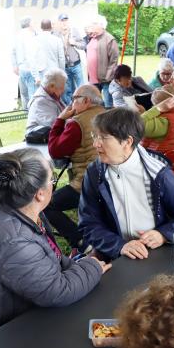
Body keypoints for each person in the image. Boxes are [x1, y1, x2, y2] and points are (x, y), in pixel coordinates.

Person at [0, 149, 108, 334]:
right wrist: (93, 266)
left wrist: (80, 265)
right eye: (52, 181)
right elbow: (58, 291)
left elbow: (53, 260)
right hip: (7, 336)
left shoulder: (21, 212)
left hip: (29, 317)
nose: (54, 185)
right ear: (40, 194)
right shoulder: (15, 241)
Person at [78, 108, 174, 261]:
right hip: (115, 255)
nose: (96, 144)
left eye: (103, 138)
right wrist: (120, 245)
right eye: (95, 136)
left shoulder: (156, 172)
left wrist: (163, 234)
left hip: (154, 254)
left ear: (127, 142)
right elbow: (88, 223)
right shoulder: (96, 172)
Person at [45, 85, 105, 252]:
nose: (71, 104)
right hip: (110, 178)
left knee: (46, 205)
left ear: (86, 101)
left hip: (86, 183)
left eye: (74, 99)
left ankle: (80, 241)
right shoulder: (108, 113)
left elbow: (55, 150)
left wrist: (60, 119)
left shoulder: (77, 123)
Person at [139, 87, 174, 158]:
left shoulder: (164, 121)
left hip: (160, 164)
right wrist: (145, 113)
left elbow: (135, 126)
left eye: (154, 105)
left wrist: (157, 109)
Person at [85, 15, 119, 108]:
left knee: (108, 104)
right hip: (93, 79)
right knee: (95, 104)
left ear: (101, 25)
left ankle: (109, 120)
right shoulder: (92, 37)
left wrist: (107, 76)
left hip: (105, 79)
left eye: (94, 24)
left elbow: (114, 59)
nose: (92, 25)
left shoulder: (109, 39)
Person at [26, 69, 67, 136]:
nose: (63, 90)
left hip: (52, 136)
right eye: (61, 88)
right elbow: (54, 125)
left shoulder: (52, 94)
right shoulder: (40, 101)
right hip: (40, 140)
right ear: (52, 86)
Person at [11, 16, 40, 108]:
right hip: (30, 69)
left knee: (24, 95)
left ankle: (27, 115)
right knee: (33, 95)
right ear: (30, 24)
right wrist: (36, 75)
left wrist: (15, 65)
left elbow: (13, 52)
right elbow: (30, 55)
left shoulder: (18, 35)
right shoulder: (30, 36)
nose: (35, 25)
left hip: (21, 69)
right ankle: (32, 117)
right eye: (34, 23)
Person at [58, 13, 85, 105]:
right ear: (59, 23)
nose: (64, 23)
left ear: (68, 21)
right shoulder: (56, 34)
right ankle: (72, 107)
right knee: (68, 89)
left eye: (66, 20)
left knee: (81, 87)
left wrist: (74, 43)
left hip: (76, 65)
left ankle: (83, 105)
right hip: (65, 67)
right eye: (62, 21)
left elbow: (83, 45)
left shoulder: (74, 31)